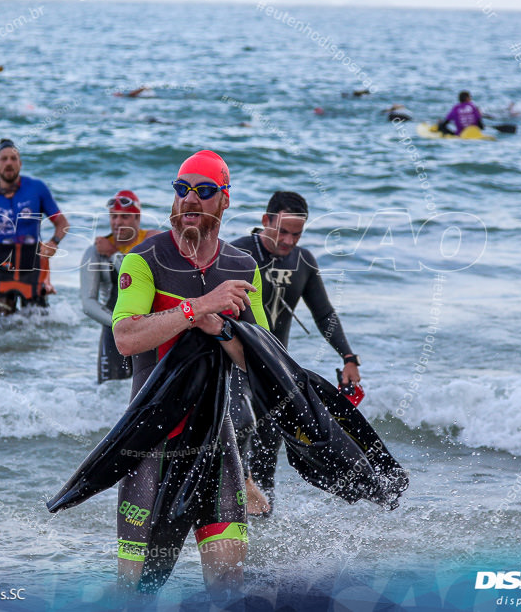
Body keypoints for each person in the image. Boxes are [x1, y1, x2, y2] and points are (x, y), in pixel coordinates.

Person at [111, 149, 268, 594]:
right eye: (182, 190)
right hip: (149, 446)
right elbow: (127, 337)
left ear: (225, 201)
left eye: (204, 191)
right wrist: (196, 307)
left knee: (228, 589)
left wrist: (218, 326)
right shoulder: (143, 261)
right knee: (136, 592)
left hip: (218, 447)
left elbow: (262, 361)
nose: (190, 199)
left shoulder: (242, 268)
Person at [232, 191, 361, 515]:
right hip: (235, 364)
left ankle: (262, 533)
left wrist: (348, 357)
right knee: (237, 440)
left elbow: (324, 315)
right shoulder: (236, 253)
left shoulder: (303, 261)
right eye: (282, 232)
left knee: (267, 451)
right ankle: (227, 522)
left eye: (296, 234)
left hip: (276, 370)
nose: (289, 241)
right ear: (266, 221)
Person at [0, 138, 69, 316]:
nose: (9, 163)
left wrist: (54, 242)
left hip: (33, 262)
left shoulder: (37, 189)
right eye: (4, 159)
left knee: (38, 324)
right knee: (1, 324)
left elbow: (62, 223)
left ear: (20, 163)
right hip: (2, 263)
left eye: (13, 158)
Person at [79, 190, 155, 382]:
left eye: (124, 217)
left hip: (152, 327)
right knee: (108, 391)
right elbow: (88, 304)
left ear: (137, 219)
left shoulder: (152, 242)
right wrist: (119, 325)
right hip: (113, 326)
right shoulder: (95, 252)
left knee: (152, 389)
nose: (117, 222)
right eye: (113, 216)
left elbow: (138, 280)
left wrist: (113, 254)